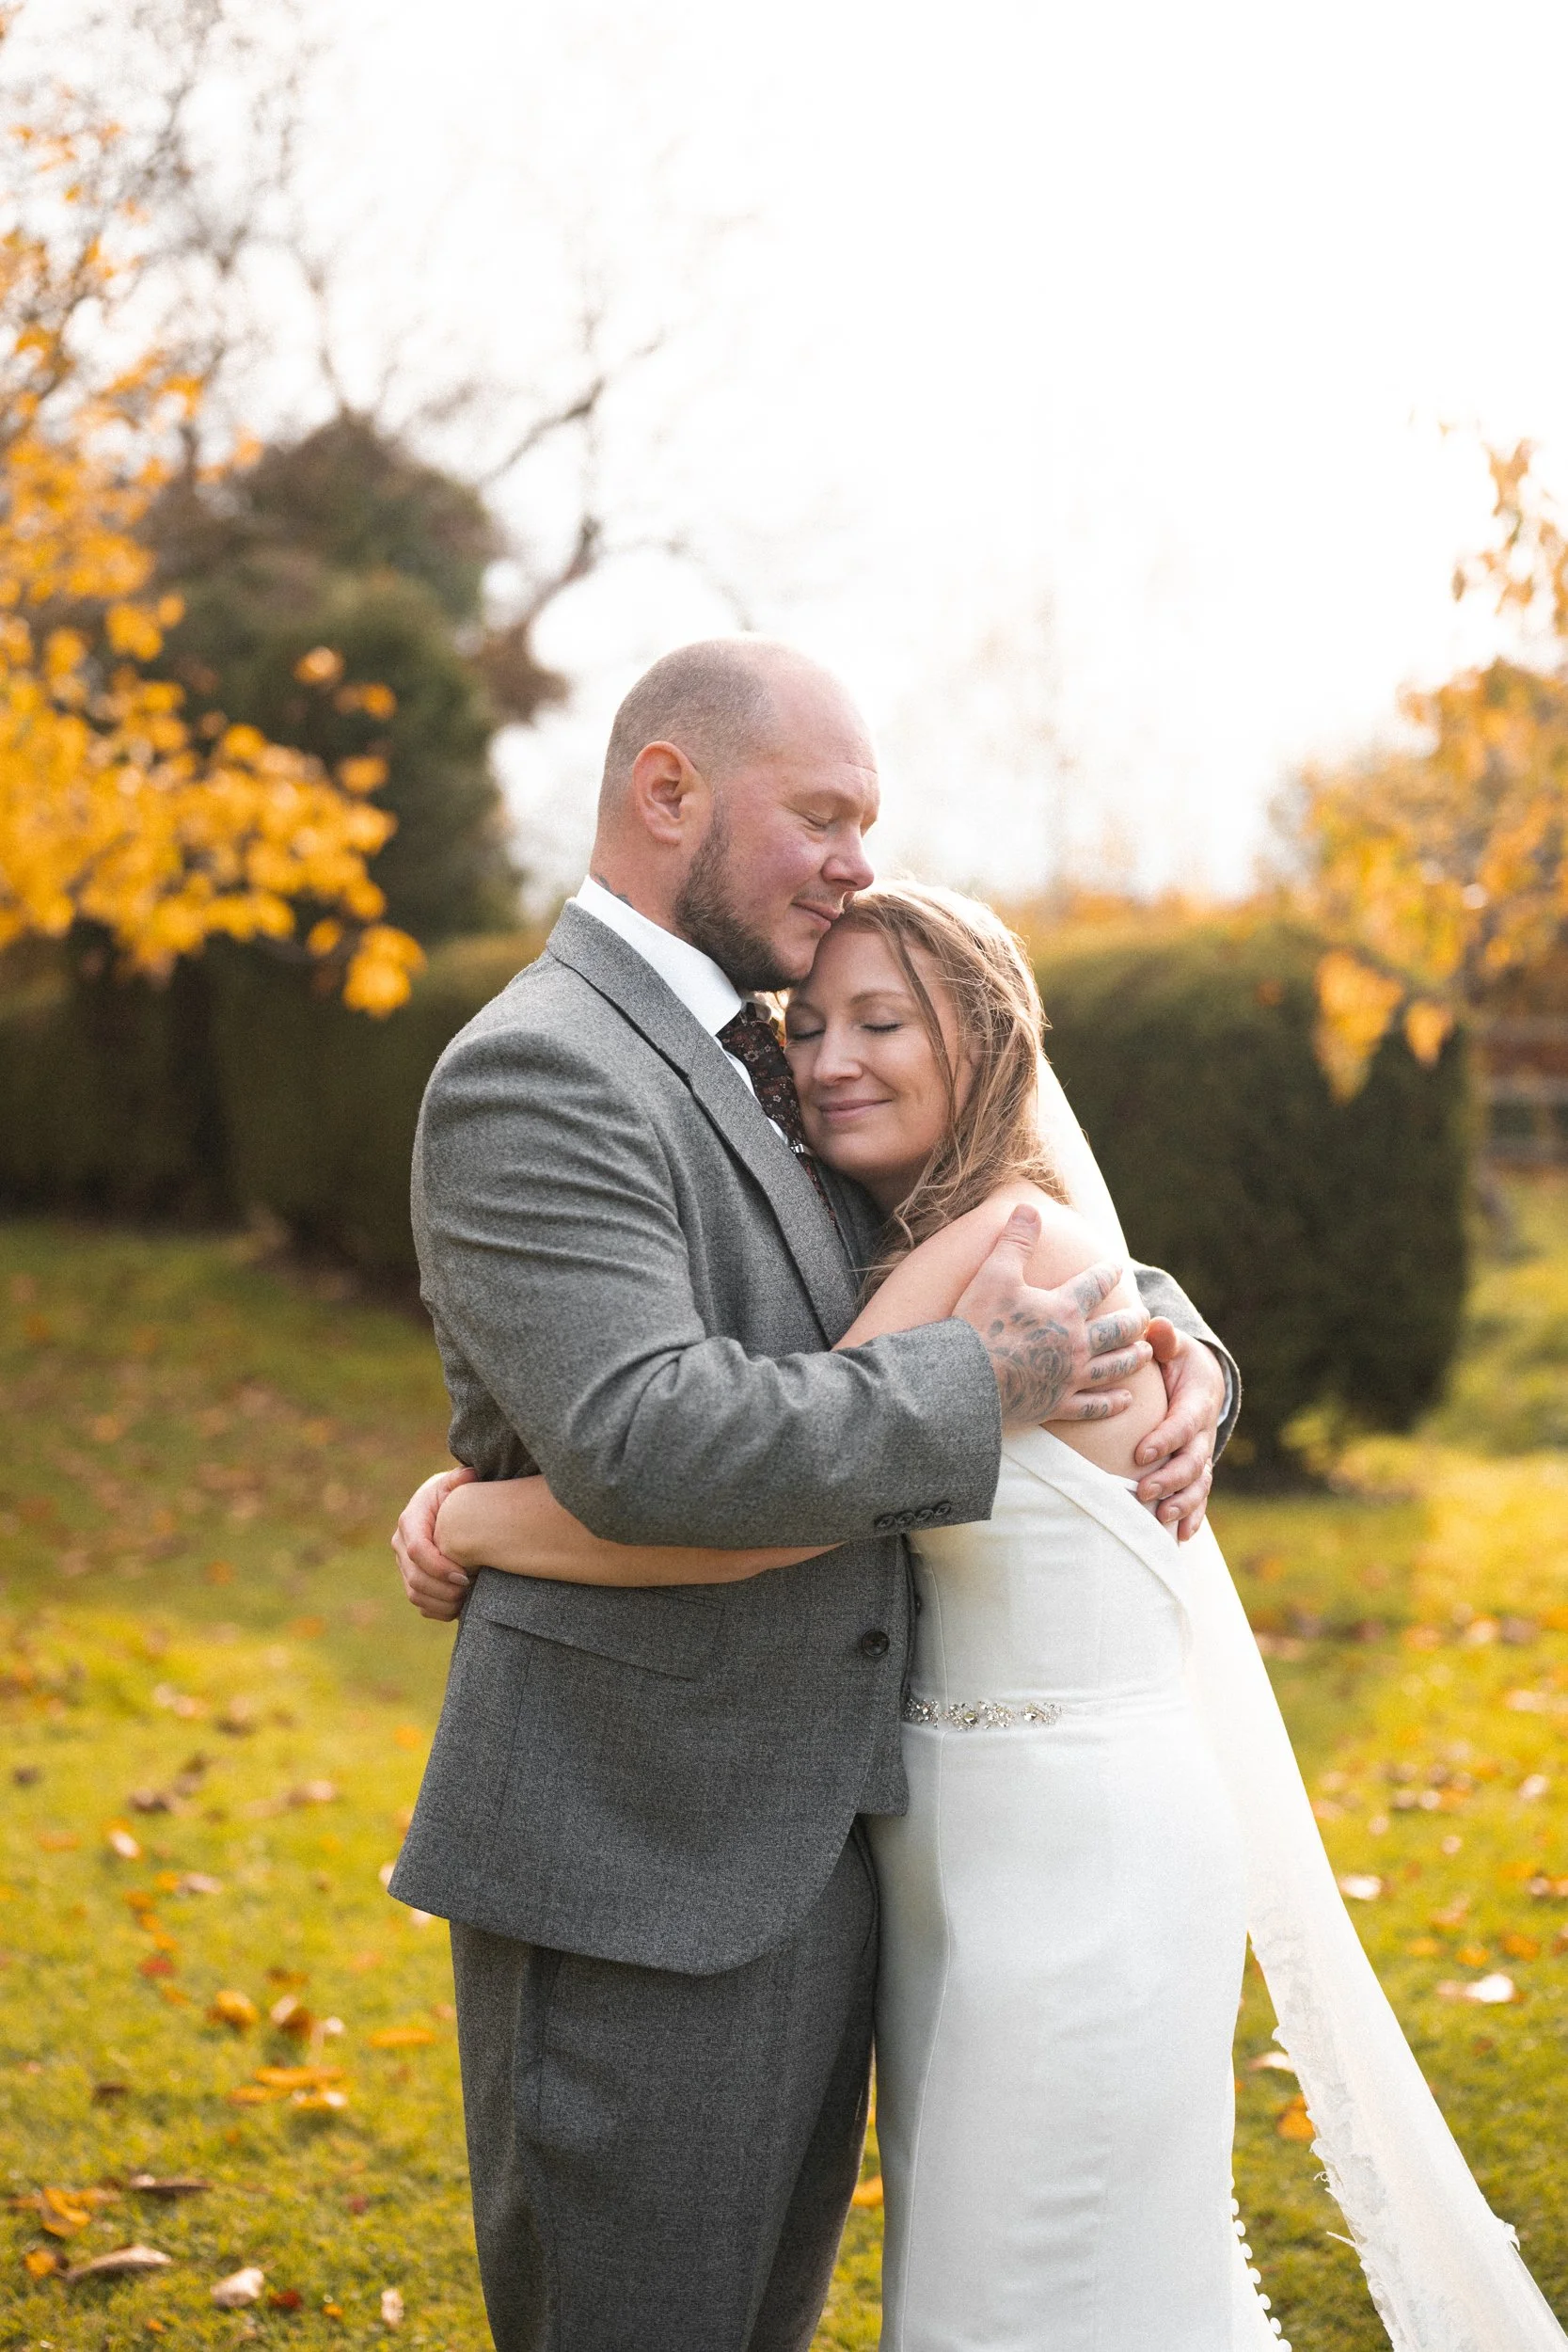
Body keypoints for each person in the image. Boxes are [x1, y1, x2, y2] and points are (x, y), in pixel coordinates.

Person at [402, 880, 1568, 2352]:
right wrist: (1182, 1335)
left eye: (881, 1022)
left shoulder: (994, 1246)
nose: (828, 1058)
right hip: (967, 1852)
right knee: (1037, 2283)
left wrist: (464, 1517)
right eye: (808, 1024)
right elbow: (796, 1411)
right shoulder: (929, 1230)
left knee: (1019, 2297)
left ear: (990, 1044)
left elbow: (756, 1502)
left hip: (1069, 1862)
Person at [388, 637, 1237, 2352]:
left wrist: (1180, 1347)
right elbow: (649, 1442)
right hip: (642, 1854)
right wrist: (992, 1384)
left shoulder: (759, 1053)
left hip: (834, 1852)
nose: (860, 858)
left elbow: (987, 1208)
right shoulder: (540, 1066)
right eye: (826, 814)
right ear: (667, 791)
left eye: (872, 821)